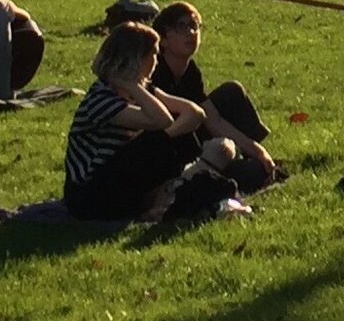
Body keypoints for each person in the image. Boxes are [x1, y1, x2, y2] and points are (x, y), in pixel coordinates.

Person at [63, 22, 229, 221]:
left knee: (170, 134)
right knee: (155, 140)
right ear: (136, 59)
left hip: (118, 179)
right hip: (90, 195)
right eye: (152, 55)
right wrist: (132, 86)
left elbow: (195, 113)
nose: (156, 62)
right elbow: (161, 120)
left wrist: (136, 88)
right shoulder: (101, 99)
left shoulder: (142, 91)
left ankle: (167, 193)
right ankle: (173, 191)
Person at [150, 3, 275, 191]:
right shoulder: (153, 72)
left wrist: (259, 151)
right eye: (181, 27)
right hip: (175, 152)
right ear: (163, 39)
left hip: (197, 138)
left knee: (232, 92)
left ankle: (261, 161)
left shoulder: (191, 71)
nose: (190, 32)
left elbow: (213, 120)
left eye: (194, 25)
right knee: (252, 173)